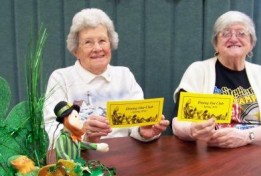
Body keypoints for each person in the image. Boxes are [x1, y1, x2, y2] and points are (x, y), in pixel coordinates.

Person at [44, 8, 169, 147]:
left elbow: (137, 123)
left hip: (125, 155)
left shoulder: (124, 75)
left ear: (111, 44)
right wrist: (82, 132)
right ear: (75, 51)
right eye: (88, 42)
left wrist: (142, 131)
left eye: (102, 41)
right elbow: (49, 132)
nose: (97, 48)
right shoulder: (60, 78)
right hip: (79, 159)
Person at [172, 11, 261, 154]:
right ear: (216, 44)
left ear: (251, 43)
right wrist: (192, 131)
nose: (234, 38)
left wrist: (245, 137)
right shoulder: (198, 71)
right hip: (211, 155)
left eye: (241, 33)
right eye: (226, 33)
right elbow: (178, 123)